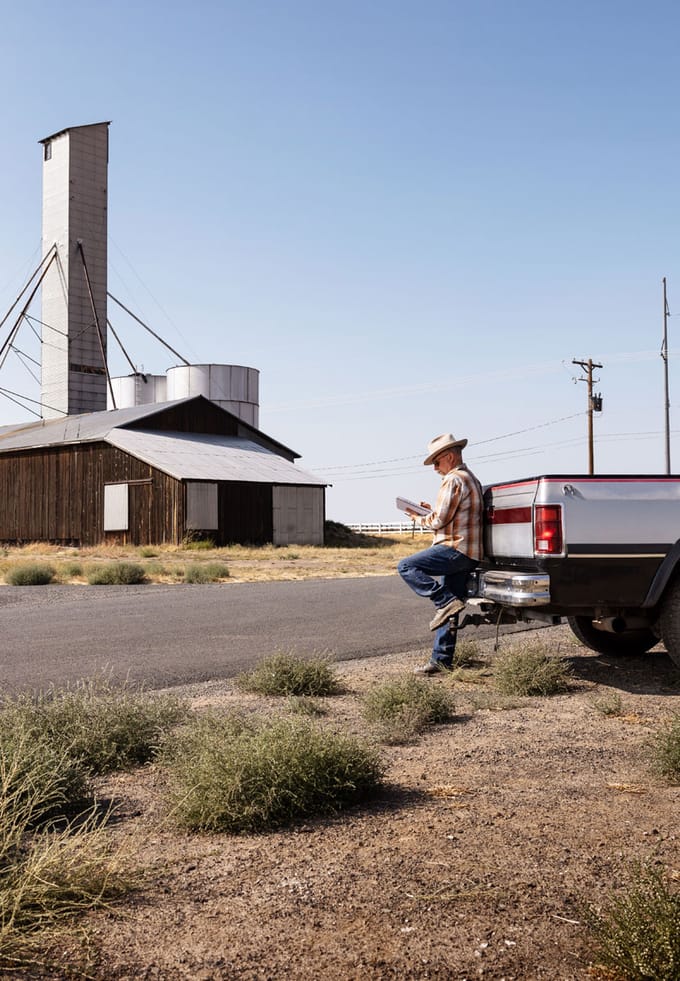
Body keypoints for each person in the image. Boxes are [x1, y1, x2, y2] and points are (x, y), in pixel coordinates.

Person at [397, 433, 484, 675]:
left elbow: (439, 520)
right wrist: (431, 510)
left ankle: (443, 602)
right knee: (453, 609)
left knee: (406, 566)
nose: (435, 468)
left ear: (449, 456)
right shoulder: (471, 479)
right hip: (470, 552)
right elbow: (454, 515)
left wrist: (418, 517)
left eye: (436, 462)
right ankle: (441, 661)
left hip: (455, 548)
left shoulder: (453, 480)